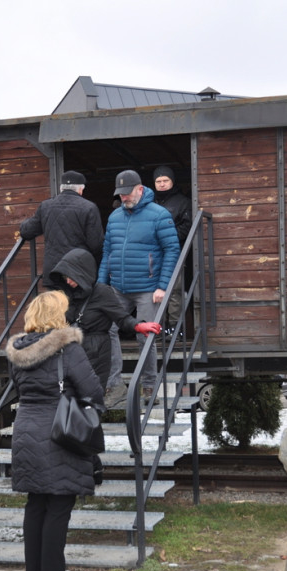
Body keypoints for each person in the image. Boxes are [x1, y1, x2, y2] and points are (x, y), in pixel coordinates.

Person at [5, 290, 104, 571]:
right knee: (60, 503)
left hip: (26, 430)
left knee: (36, 503)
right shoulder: (68, 350)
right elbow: (93, 390)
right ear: (56, 315)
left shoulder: (17, 352)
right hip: (59, 433)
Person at [99, 169, 180, 405]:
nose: (124, 198)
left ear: (140, 189)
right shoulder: (114, 217)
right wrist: (100, 286)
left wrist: (162, 286)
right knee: (107, 330)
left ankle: (148, 386)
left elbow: (172, 250)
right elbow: (107, 252)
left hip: (148, 288)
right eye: (120, 194)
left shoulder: (159, 215)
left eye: (128, 193)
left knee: (145, 337)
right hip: (118, 288)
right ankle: (114, 385)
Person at [50, 248, 161, 390]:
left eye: (71, 276)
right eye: (66, 276)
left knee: (88, 396)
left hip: (96, 352)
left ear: (82, 273)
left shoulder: (102, 292)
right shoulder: (66, 294)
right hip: (73, 351)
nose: (68, 280)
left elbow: (121, 317)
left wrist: (138, 326)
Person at [19, 170, 104, 284]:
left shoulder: (46, 206)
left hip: (53, 271)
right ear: (81, 189)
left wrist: (25, 222)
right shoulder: (89, 207)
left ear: (61, 188)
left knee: (55, 301)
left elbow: (26, 232)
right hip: (77, 272)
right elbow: (96, 245)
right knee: (76, 301)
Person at [152, 165, 192, 330]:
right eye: (158, 181)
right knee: (152, 292)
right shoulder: (148, 203)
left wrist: (166, 236)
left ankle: (175, 327)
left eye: (165, 180)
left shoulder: (183, 202)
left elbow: (187, 226)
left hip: (175, 252)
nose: (162, 184)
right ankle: (155, 326)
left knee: (174, 291)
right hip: (152, 254)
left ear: (172, 181)